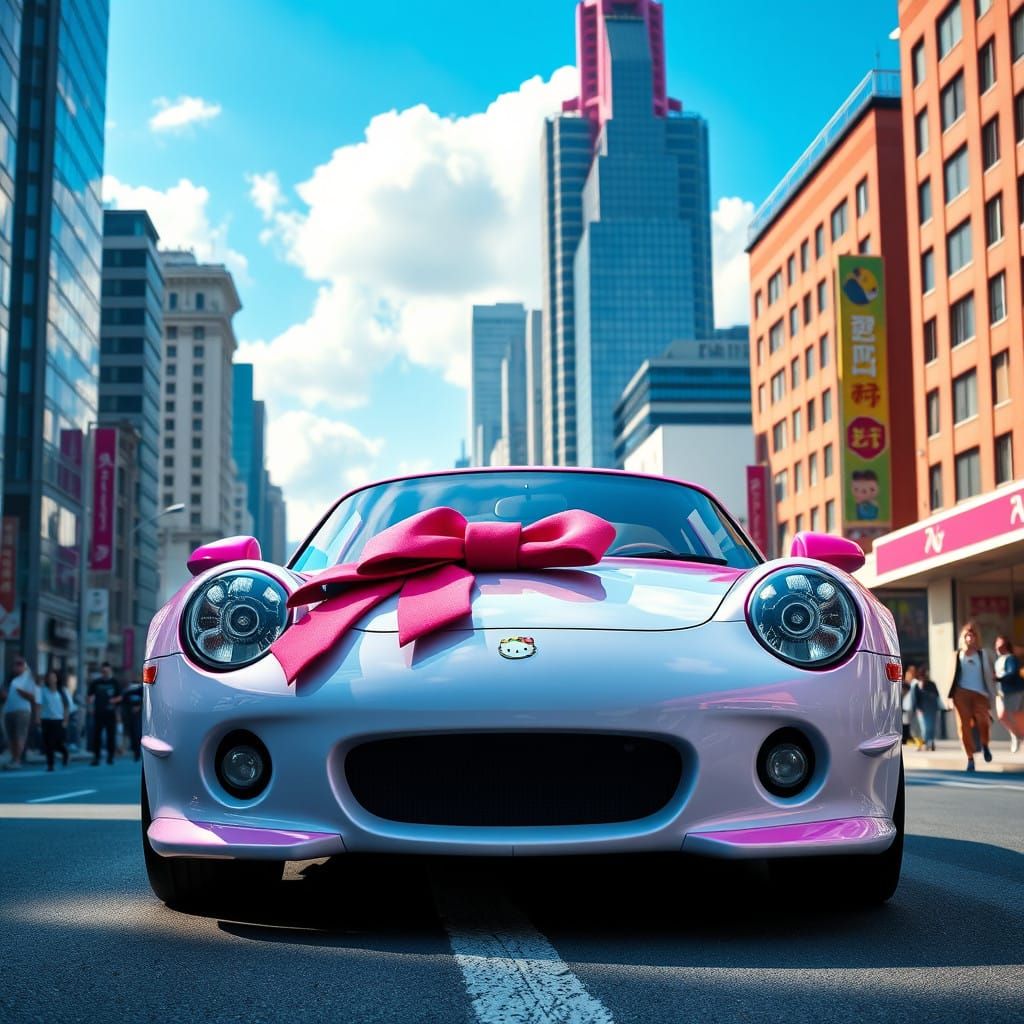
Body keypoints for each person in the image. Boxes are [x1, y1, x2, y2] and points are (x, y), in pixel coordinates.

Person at [947, 621, 997, 772]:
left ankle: (985, 744)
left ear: (976, 638)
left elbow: (992, 672)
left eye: (973, 635)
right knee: (964, 727)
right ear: (963, 637)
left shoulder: (983, 654)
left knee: (983, 721)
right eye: (967, 635)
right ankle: (970, 758)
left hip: (980, 693)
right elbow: (949, 677)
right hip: (961, 694)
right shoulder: (956, 655)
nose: (970, 638)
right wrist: (948, 698)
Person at [1, 656, 40, 769]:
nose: (16, 667)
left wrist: (22, 692)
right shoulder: (10, 679)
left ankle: (17, 760)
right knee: (10, 737)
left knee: (19, 735)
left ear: (24, 666)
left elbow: (35, 697)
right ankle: (13, 758)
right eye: (15, 664)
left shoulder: (28, 678)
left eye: (20, 664)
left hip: (22, 711)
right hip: (8, 710)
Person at [87, 662, 122, 766]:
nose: (105, 673)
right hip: (98, 713)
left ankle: (110, 757)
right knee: (96, 736)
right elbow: (89, 695)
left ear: (110, 671)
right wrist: (90, 700)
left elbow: (120, 697)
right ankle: (96, 757)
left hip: (110, 713)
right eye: (103, 671)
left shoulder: (114, 682)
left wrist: (113, 700)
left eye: (106, 671)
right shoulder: (96, 682)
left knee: (110, 736)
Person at [993, 636, 1024, 755]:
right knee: (1003, 716)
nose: (998, 649)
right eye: (997, 646)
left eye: (1001, 646)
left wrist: (999, 678)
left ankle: (1017, 736)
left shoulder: (1011, 658)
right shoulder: (998, 660)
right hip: (1001, 692)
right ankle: (1016, 735)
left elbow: (1012, 672)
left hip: (1013, 691)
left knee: (1012, 715)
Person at [38, 669, 70, 771]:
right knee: (48, 743)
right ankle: (50, 764)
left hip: (58, 720)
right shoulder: (43, 691)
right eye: (49, 677)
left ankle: (65, 753)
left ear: (57, 679)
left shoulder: (61, 691)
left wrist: (65, 720)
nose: (51, 679)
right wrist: (37, 718)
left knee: (57, 743)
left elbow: (66, 707)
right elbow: (39, 705)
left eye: (53, 677)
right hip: (46, 719)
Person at [911, 665, 940, 752]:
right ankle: (927, 743)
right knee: (925, 728)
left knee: (930, 727)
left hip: (931, 709)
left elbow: (936, 695)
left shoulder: (931, 684)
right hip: (922, 710)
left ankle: (930, 743)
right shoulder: (916, 685)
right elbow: (914, 698)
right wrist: (917, 709)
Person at [120, 676, 144, 761]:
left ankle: (140, 752)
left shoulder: (143, 689)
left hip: (141, 717)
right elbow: (124, 699)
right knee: (133, 735)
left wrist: (139, 707)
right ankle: (136, 752)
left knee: (138, 734)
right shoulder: (130, 692)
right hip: (131, 717)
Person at [901, 665, 917, 746]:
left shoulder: (914, 683)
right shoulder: (905, 683)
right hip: (905, 706)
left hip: (909, 706)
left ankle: (907, 737)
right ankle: (905, 738)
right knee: (905, 722)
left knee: (907, 722)